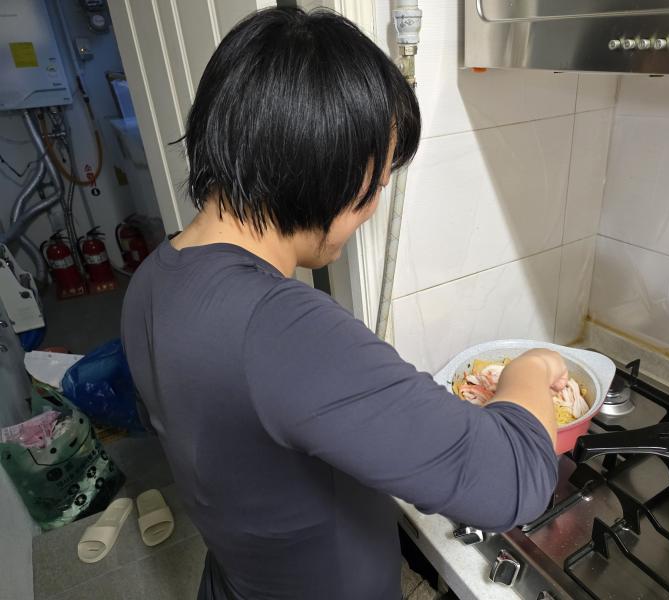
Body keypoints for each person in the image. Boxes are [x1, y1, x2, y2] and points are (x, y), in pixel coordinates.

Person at [121, 7, 565, 600]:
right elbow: (513, 480)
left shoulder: (155, 277)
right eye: (376, 186)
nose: (374, 207)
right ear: (326, 171)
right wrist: (531, 367)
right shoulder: (280, 329)